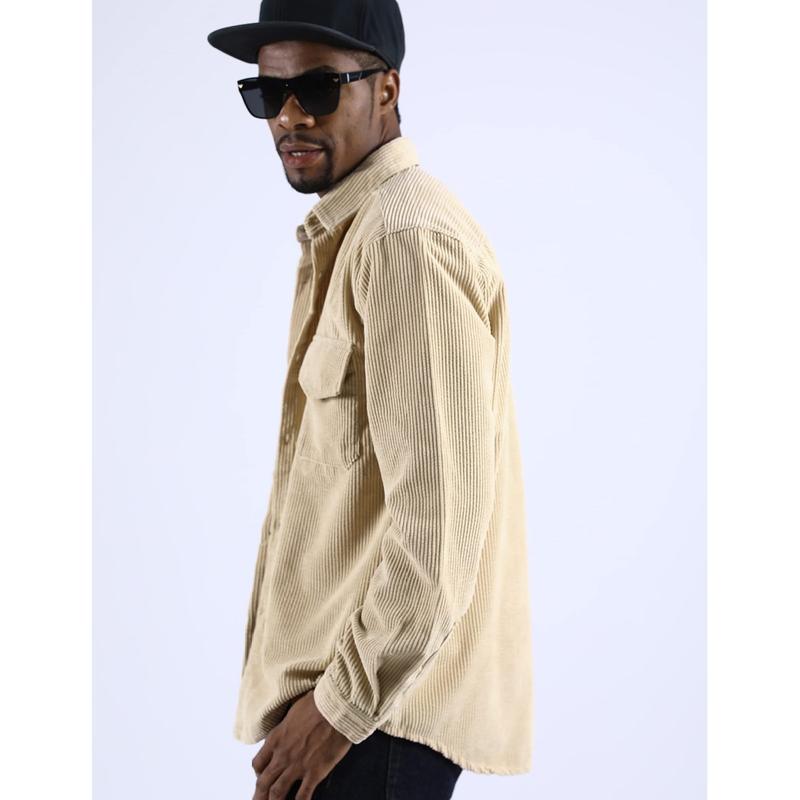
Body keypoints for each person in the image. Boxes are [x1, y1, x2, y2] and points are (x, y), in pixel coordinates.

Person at [207, 2, 533, 798]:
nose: (289, 116)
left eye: (319, 88)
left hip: (372, 726)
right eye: (268, 93)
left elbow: (439, 529)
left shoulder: (403, 241)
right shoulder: (359, 234)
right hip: (354, 718)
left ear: (386, 89)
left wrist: (337, 709)